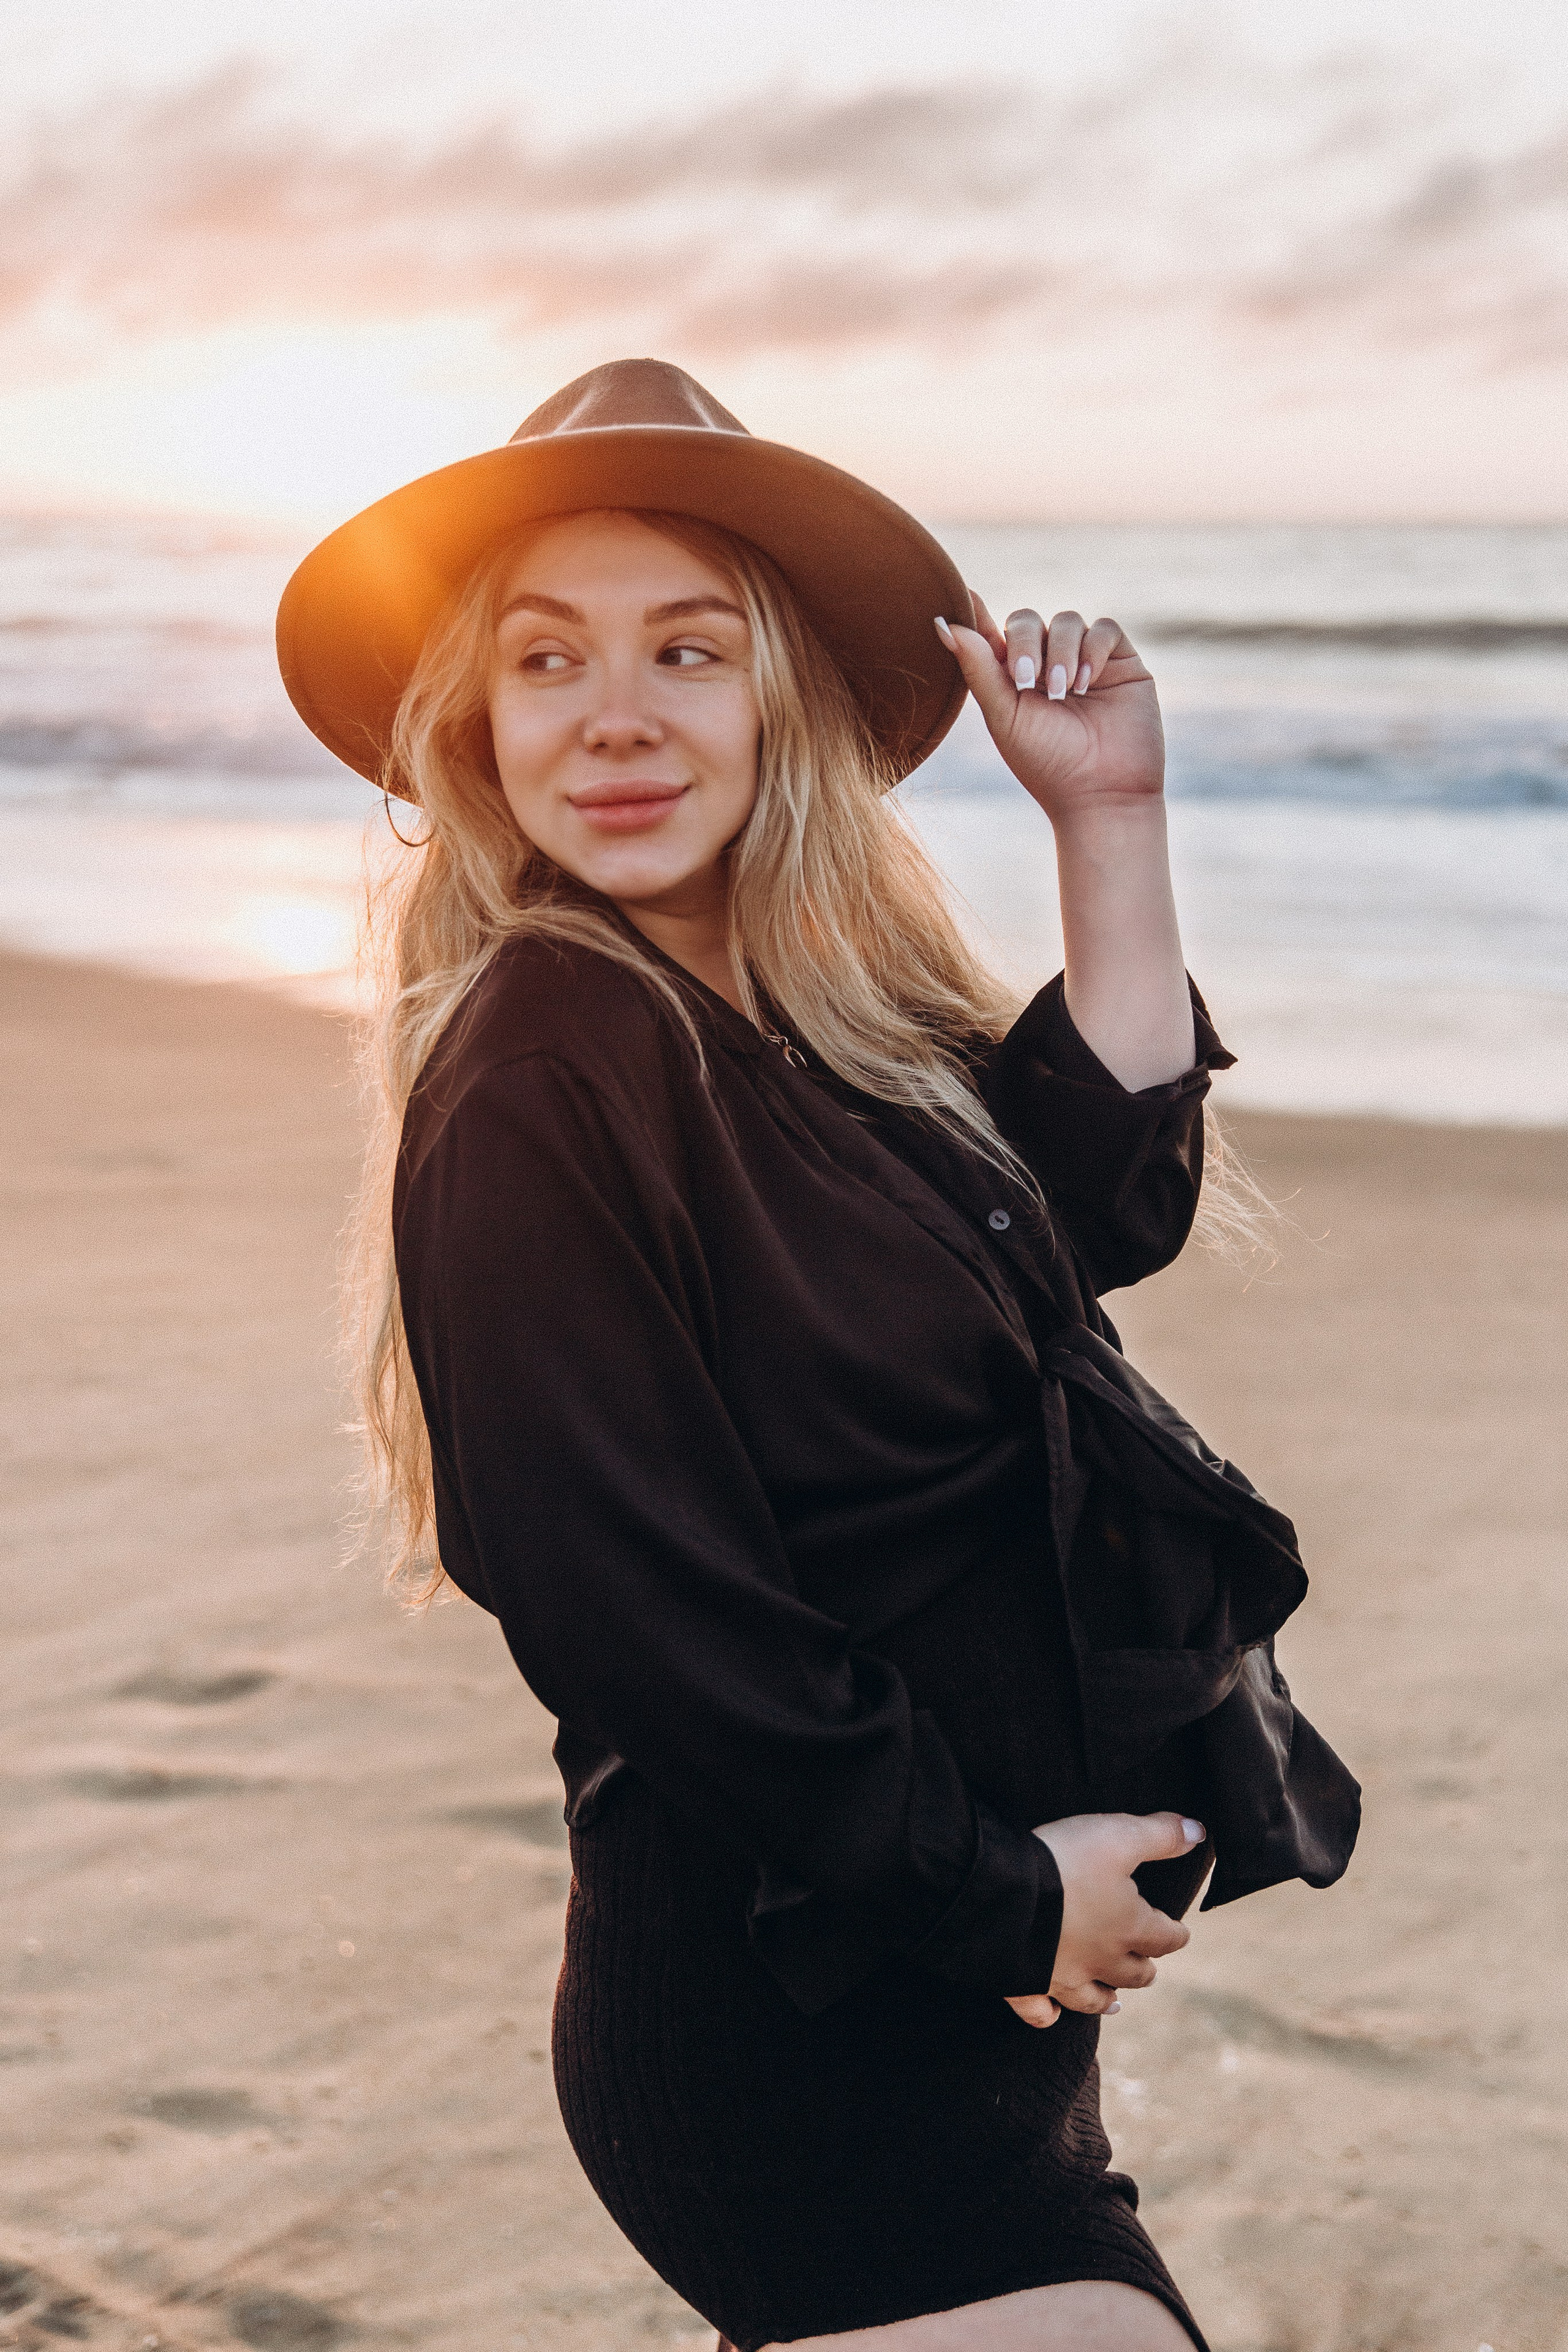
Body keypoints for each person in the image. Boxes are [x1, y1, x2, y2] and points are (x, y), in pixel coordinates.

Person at [278, 360, 1359, 2352]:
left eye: (688, 650)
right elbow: (639, 1611)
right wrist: (998, 1895)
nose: (614, 714)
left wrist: (1111, 818)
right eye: (546, 661)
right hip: (799, 2017)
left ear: (784, 699)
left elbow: (1094, 1213)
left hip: (952, 2016)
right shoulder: (547, 1054)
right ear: (477, 725)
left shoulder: (802, 1024)